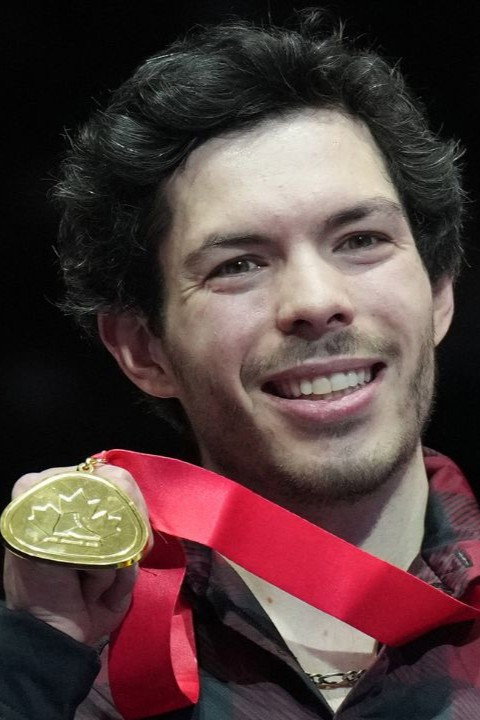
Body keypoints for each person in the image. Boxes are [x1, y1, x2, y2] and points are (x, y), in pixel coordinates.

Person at [2, 11, 480, 720]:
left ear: (439, 292)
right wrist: (37, 658)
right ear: (142, 348)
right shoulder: (67, 676)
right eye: (239, 264)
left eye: (360, 239)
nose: (316, 301)